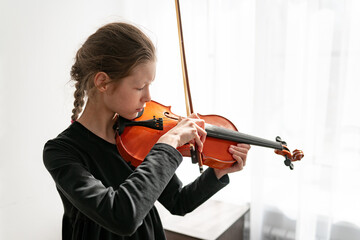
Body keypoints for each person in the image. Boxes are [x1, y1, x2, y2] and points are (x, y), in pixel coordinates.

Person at [43, 22, 251, 240]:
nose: (148, 97)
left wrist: (218, 172)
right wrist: (169, 142)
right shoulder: (61, 152)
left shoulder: (140, 137)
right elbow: (121, 216)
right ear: (103, 82)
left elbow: (178, 201)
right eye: (140, 87)